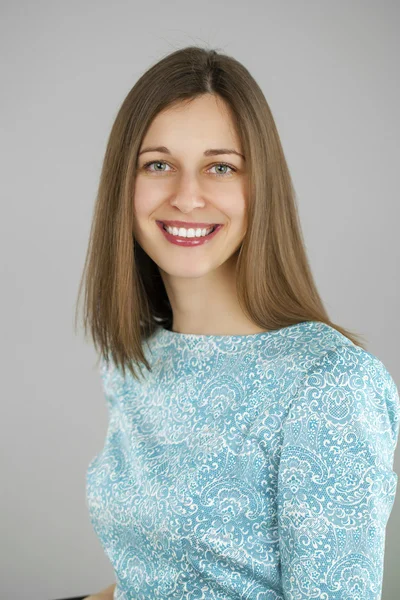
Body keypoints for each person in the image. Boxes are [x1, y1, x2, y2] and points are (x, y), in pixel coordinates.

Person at [76, 46, 400, 600]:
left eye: (220, 167)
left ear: (259, 189)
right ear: (122, 188)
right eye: (159, 164)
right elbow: (152, 581)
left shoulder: (330, 386)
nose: (187, 196)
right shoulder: (134, 360)